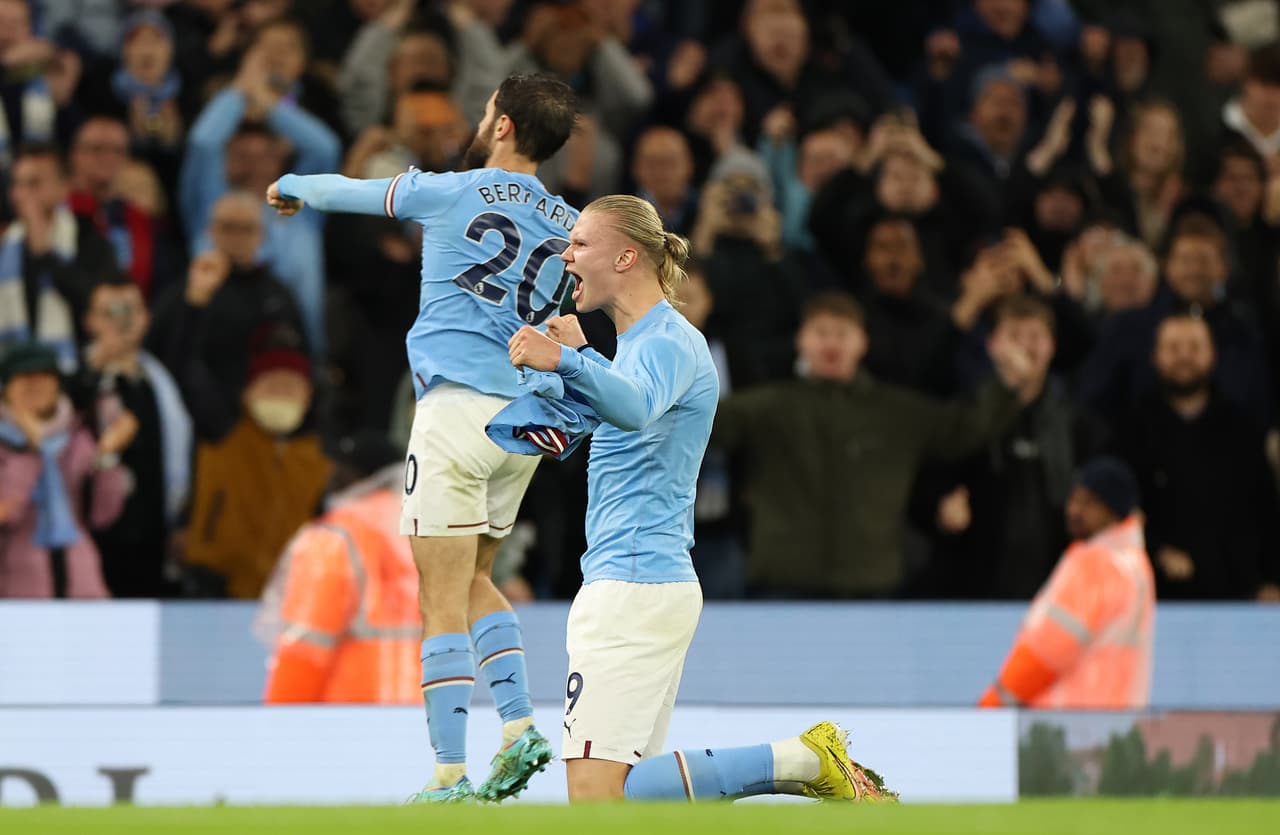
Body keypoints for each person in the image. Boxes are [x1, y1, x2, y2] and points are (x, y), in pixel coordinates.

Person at [504, 194, 894, 804]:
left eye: (580, 243)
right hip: (640, 582)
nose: (566, 253)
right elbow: (607, 416)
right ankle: (800, 760)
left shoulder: (669, 342)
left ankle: (800, 758)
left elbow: (632, 408)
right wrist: (577, 361)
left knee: (596, 794)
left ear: (627, 256)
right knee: (629, 797)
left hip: (632, 585)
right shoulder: (642, 346)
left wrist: (565, 360)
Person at [265, 73, 579, 804]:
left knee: (437, 598)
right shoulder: (569, 225)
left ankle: (448, 775)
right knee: (474, 580)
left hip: (455, 413)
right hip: (524, 421)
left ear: (502, 125)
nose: (481, 117)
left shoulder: (453, 189)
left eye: (487, 109)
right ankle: (518, 727)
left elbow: (357, 190)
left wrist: (293, 185)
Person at [1117, 315, 1280, 601]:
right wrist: (1156, 550)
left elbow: (1266, 511)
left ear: (1212, 354)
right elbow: (1117, 512)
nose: (1184, 357)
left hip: (1236, 594)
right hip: (1152, 594)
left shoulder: (1243, 428)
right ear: (1155, 356)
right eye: (1174, 348)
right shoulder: (1130, 430)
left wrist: (1270, 579)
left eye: (1194, 347)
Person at [257, 433, 422, 703]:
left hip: (348, 721)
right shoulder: (433, 539)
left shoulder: (335, 538)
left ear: (355, 476)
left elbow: (304, 647)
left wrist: (278, 721)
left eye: (337, 469)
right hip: (428, 725)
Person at [978, 457, 1155, 709]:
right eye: (1074, 498)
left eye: (1090, 502)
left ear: (1114, 511)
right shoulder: (1136, 565)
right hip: (1116, 728)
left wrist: (994, 703)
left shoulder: (1096, 562)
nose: (1075, 510)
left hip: (1066, 728)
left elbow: (1048, 649)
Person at [0, 341, 136, 598]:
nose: (35, 385)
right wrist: (31, 450)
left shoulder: (78, 436)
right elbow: (6, 511)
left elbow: (103, 515)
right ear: (6, 389)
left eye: (44, 377)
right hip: (17, 583)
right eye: (25, 378)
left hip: (80, 576)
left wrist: (107, 458)